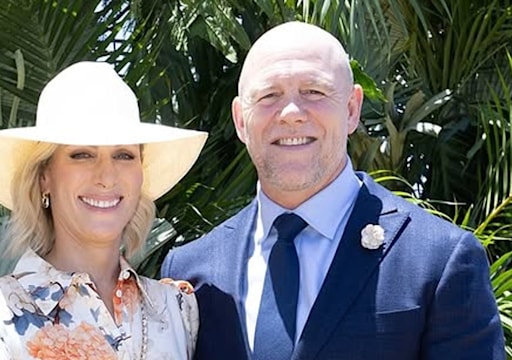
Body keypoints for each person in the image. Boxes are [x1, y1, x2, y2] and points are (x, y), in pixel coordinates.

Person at [161, 21, 504, 360]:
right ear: (240, 120)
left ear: (352, 109)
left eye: (314, 91)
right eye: (269, 95)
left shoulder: (438, 260)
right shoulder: (192, 271)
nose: (292, 113)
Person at [0, 61, 207, 359]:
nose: (107, 176)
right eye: (82, 154)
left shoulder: (177, 311)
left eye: (124, 155)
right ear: (44, 176)